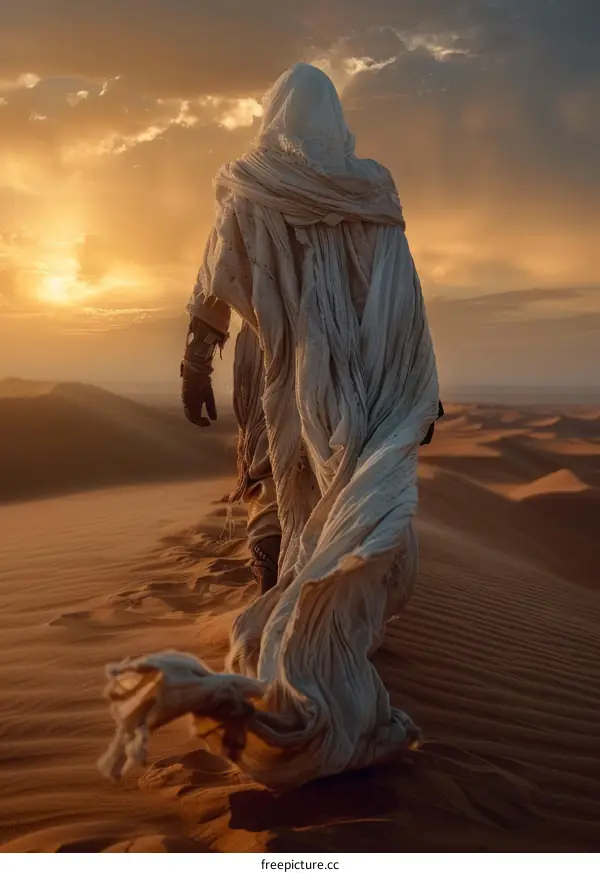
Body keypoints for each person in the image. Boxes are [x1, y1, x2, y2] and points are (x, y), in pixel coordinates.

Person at [100, 63, 443, 790]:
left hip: (278, 368)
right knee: (328, 493)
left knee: (279, 483)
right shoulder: (368, 188)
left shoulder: (254, 181)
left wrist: (196, 361)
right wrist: (415, 393)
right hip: (356, 376)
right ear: (334, 117)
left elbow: (216, 277)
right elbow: (404, 300)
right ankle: (299, 626)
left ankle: (287, 630)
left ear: (274, 113)